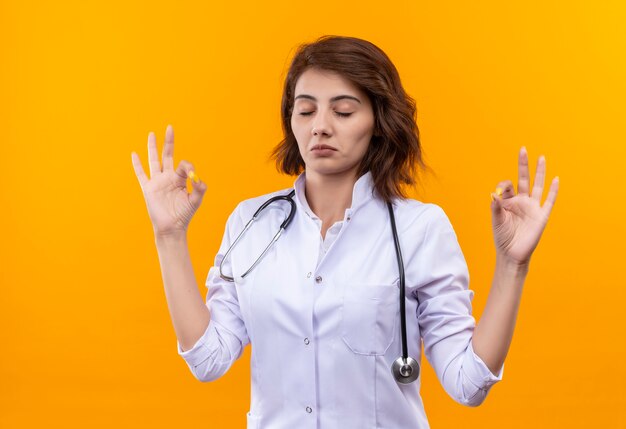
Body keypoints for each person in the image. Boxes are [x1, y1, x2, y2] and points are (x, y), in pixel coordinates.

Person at [131, 35, 559, 429]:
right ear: (291, 120)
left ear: (377, 121)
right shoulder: (251, 222)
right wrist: (169, 238)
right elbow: (208, 360)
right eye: (305, 109)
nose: (320, 125)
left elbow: (467, 385)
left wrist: (512, 266)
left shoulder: (419, 229)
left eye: (343, 110)